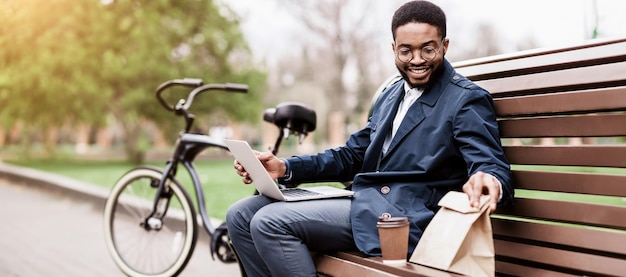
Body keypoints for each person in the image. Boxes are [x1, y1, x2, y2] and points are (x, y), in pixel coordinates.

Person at [226, 1, 514, 276]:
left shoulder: (465, 100)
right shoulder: (391, 95)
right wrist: (285, 168)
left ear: (444, 46)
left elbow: (490, 164)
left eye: (428, 50)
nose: (416, 60)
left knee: (270, 222)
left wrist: (489, 179)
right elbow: (351, 155)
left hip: (408, 219)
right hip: (367, 202)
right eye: (406, 51)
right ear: (393, 49)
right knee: (240, 215)